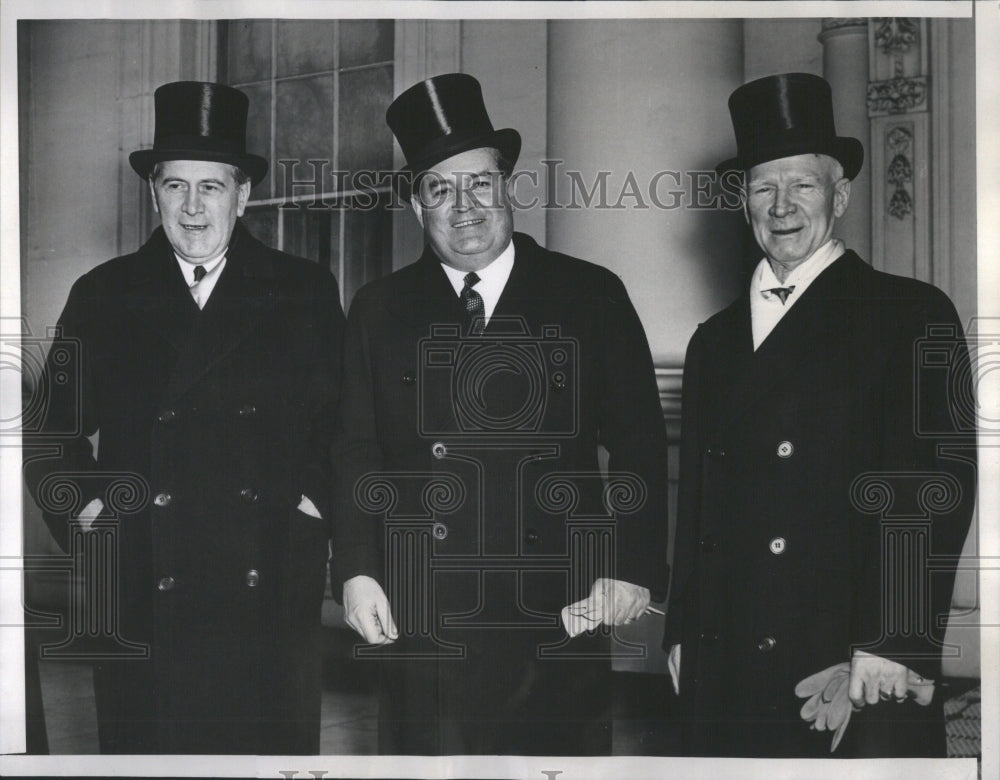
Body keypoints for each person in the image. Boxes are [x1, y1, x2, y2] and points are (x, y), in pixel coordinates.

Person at [329, 73, 669, 755]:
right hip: (422, 612)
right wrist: (357, 569)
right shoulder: (379, 309)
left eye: (479, 183)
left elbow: (639, 445)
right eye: (439, 188)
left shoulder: (589, 296)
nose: (464, 207)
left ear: (508, 185)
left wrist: (632, 565)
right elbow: (356, 450)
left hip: (557, 611)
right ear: (415, 203)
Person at [23, 81, 345, 754]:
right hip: (144, 576)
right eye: (175, 186)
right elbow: (51, 429)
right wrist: (88, 514)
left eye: (211, 187)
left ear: (243, 194)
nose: (192, 208)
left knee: (265, 755)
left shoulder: (303, 289)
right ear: (154, 193)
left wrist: (312, 504)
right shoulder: (105, 293)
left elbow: (340, 421)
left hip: (268, 573)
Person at [663, 72, 976, 757]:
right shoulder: (712, 341)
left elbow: (934, 487)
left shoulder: (909, 313)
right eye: (762, 186)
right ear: (742, 201)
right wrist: (682, 631)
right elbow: (698, 513)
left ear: (840, 195)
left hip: (849, 657)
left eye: (801, 185)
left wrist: (893, 641)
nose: (781, 206)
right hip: (725, 658)